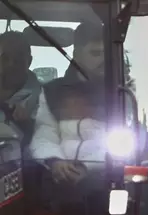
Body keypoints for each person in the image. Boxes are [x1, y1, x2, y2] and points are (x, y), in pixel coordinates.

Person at [29, 21, 106, 184]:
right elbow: (44, 134)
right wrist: (55, 161)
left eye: (107, 53)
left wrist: (86, 167)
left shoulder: (122, 93)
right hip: (58, 179)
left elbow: (126, 143)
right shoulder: (53, 91)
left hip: (106, 179)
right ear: (77, 54)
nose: (103, 59)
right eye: (95, 53)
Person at [0, 30, 41, 147]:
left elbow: (49, 143)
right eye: (5, 58)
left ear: (29, 61)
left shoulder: (45, 100)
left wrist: (28, 124)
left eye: (18, 59)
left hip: (26, 164)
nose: (11, 64)